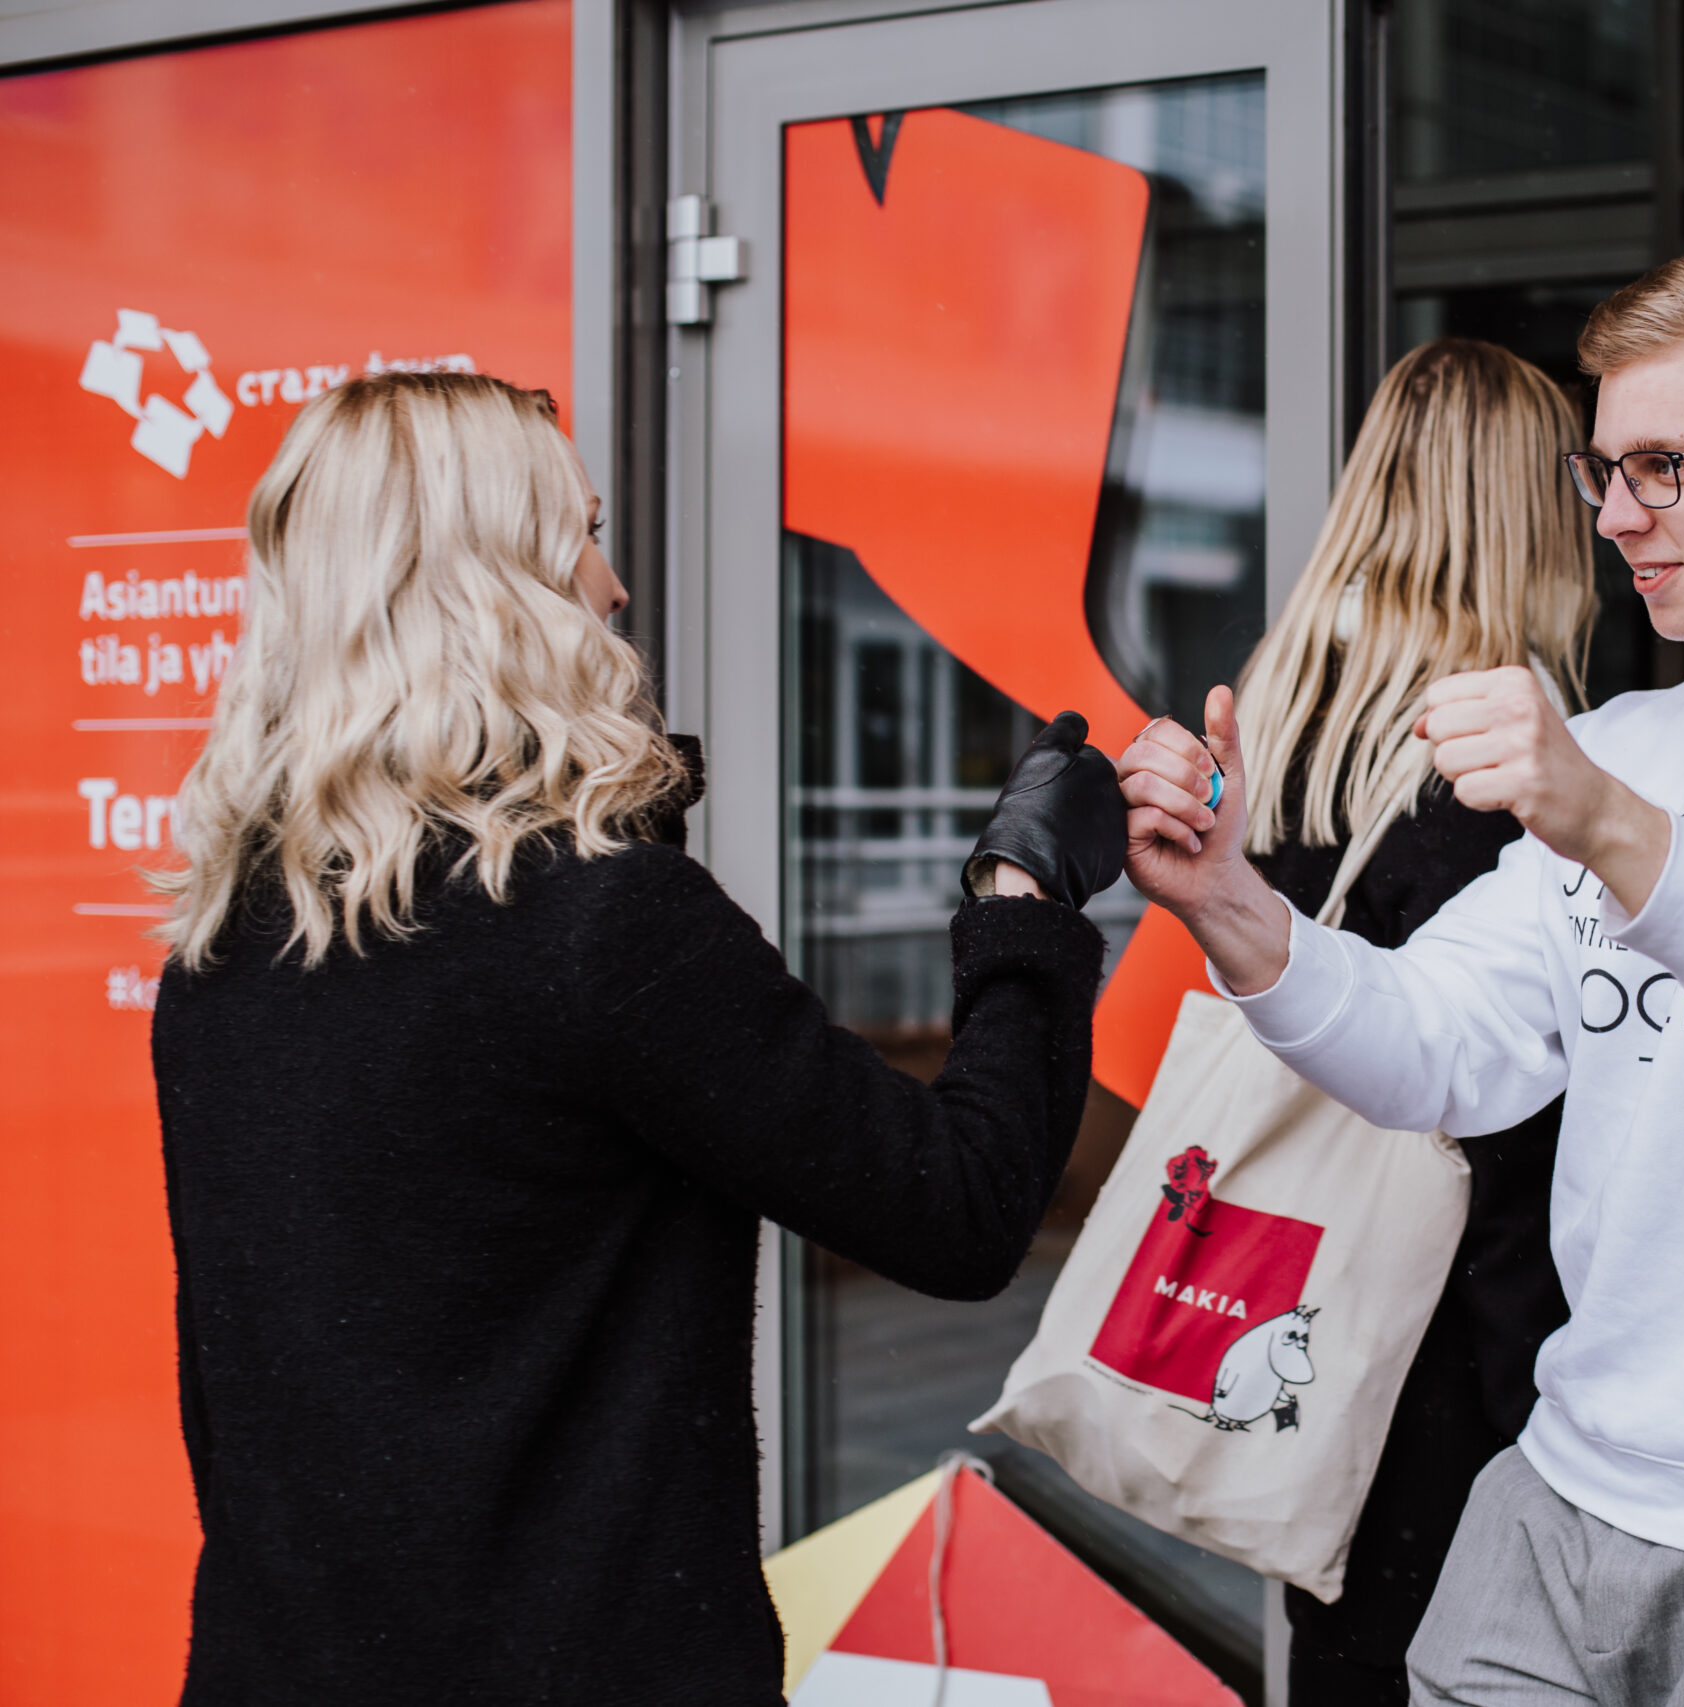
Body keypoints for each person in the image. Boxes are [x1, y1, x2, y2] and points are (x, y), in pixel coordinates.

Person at [148, 372, 1124, 1707]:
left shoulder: (228, 939)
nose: (613, 587)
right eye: (583, 535)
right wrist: (1027, 898)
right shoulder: (597, 925)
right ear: (501, 586)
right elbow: (958, 1207)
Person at [1116, 240, 1684, 1705]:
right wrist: (1232, 910)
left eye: (1665, 468)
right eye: (1603, 472)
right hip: (1557, 1482)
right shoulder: (1638, 742)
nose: (1619, 519)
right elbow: (1445, 1047)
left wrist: (1595, 817)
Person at [1225, 338, 1588, 1704]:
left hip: (1308, 1291)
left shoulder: (1285, 718)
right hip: (1450, 1350)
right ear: (1527, 511)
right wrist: (1539, 1398)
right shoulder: (1493, 764)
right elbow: (1495, 1132)